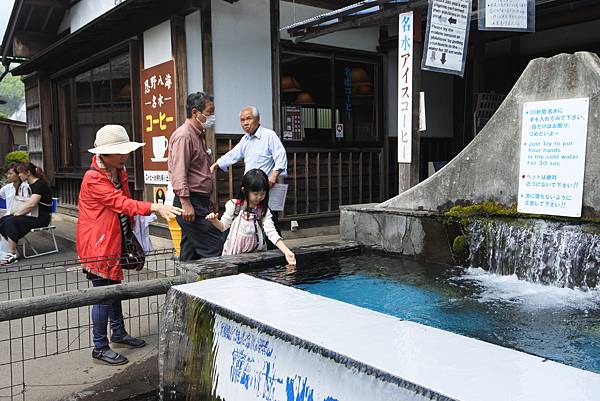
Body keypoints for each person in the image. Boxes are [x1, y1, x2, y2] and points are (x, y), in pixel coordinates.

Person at [76, 125, 182, 366]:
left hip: (115, 239)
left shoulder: (117, 169)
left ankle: (119, 333)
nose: (125, 154)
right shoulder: (93, 178)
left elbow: (124, 202)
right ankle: (100, 346)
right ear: (104, 153)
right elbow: (120, 202)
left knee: (114, 290)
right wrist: (155, 207)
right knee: (103, 294)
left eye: (126, 150)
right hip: (98, 244)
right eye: (119, 151)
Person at [210, 106, 288, 248]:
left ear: (258, 120)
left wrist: (274, 175)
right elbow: (233, 154)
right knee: (249, 220)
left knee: (270, 221)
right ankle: (253, 247)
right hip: (251, 189)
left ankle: (276, 251)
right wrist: (216, 164)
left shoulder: (269, 135)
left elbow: (280, 155)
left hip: (266, 187)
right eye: (242, 120)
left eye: (248, 119)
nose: (245, 123)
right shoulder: (245, 139)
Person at [168, 92, 223, 261]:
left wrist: (208, 200)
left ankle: (184, 285)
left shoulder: (198, 135)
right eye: (209, 111)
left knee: (190, 252)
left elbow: (199, 172)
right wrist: (186, 202)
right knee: (214, 247)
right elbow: (178, 172)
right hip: (190, 201)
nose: (212, 115)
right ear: (195, 112)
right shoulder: (184, 136)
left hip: (199, 201)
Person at [205, 169, 296, 265]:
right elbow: (223, 226)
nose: (259, 197)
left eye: (263, 193)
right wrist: (214, 220)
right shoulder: (234, 205)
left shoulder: (264, 211)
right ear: (244, 190)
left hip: (257, 255)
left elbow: (271, 232)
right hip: (233, 256)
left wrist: (286, 251)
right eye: (255, 194)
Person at [0, 162, 52, 265]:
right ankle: (7, 248)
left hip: (40, 218)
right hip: (31, 215)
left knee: (11, 221)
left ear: (28, 173)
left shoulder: (40, 184)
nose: (19, 175)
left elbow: (31, 204)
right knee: (3, 220)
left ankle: (12, 253)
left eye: (20, 173)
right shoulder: (27, 185)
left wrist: (17, 214)